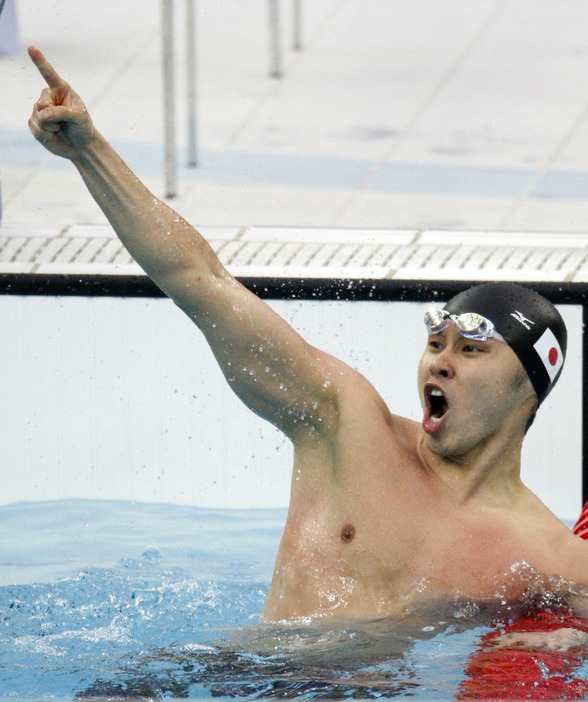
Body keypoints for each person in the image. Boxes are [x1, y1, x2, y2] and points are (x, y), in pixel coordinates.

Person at [27, 46, 588, 624]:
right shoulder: (345, 424)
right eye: (435, 344)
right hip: (251, 680)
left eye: (471, 351)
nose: (439, 364)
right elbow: (202, 282)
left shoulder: (553, 560)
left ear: (527, 388)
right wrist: (89, 153)